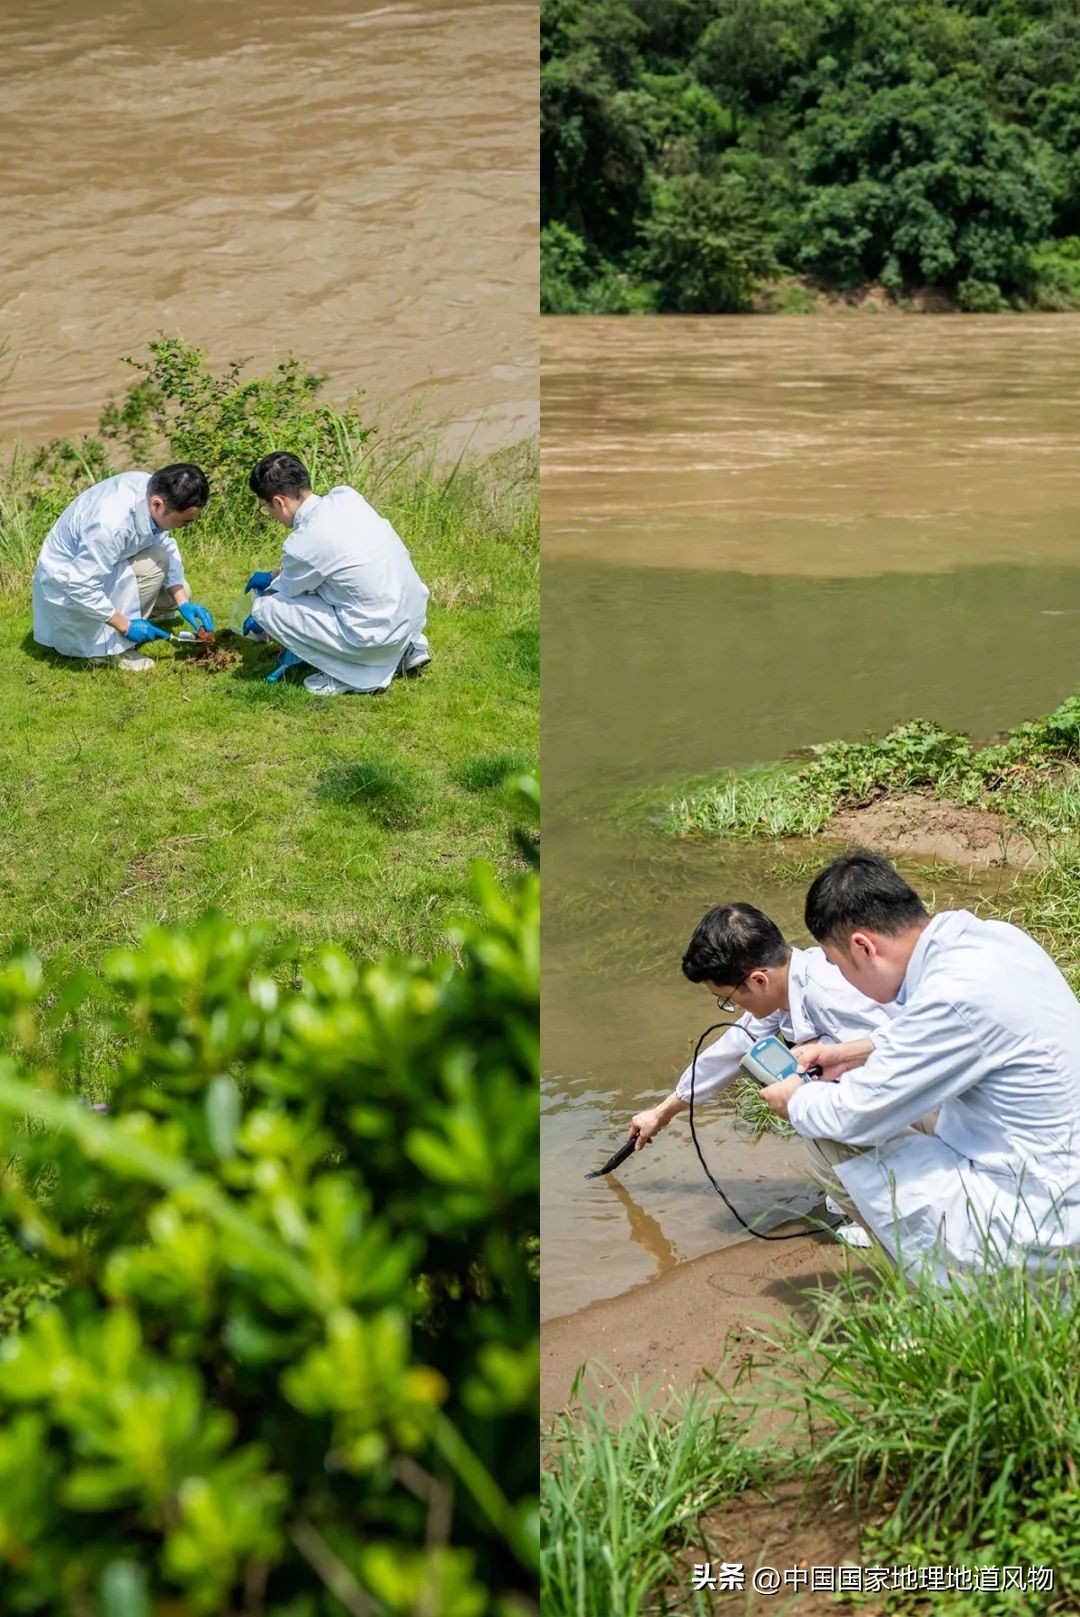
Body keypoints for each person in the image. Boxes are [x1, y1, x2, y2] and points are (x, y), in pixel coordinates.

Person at [761, 851, 1080, 1280]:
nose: (843, 980)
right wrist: (847, 1053)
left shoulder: (952, 995)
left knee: (827, 1134)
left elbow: (856, 1114)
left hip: (1045, 1228)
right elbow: (949, 1033)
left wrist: (796, 1100)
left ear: (863, 946)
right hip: (1055, 1172)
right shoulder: (991, 941)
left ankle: (952, 1297)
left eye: (838, 967)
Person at [628, 902, 896, 1162]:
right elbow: (733, 1048)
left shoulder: (829, 995)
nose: (732, 1006)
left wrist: (810, 1093)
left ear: (758, 980)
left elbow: (897, 1059)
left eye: (727, 999)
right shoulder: (787, 983)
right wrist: (663, 1111)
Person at [242, 452, 430, 697]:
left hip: (376, 637)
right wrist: (272, 573)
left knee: (265, 608)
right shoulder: (346, 497)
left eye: (266, 507)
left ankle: (355, 676)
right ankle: (408, 649)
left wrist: (267, 594)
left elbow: (286, 591)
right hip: (411, 618)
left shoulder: (302, 542)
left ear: (278, 502)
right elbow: (333, 559)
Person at [32, 464, 214, 672]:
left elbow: (164, 541)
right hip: (69, 588)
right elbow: (80, 585)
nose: (186, 526)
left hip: (104, 567)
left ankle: (135, 618)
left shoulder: (153, 489)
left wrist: (183, 603)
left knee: (181, 591)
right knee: (157, 561)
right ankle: (111, 650)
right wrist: (124, 625)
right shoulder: (110, 523)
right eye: (184, 521)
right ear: (157, 504)